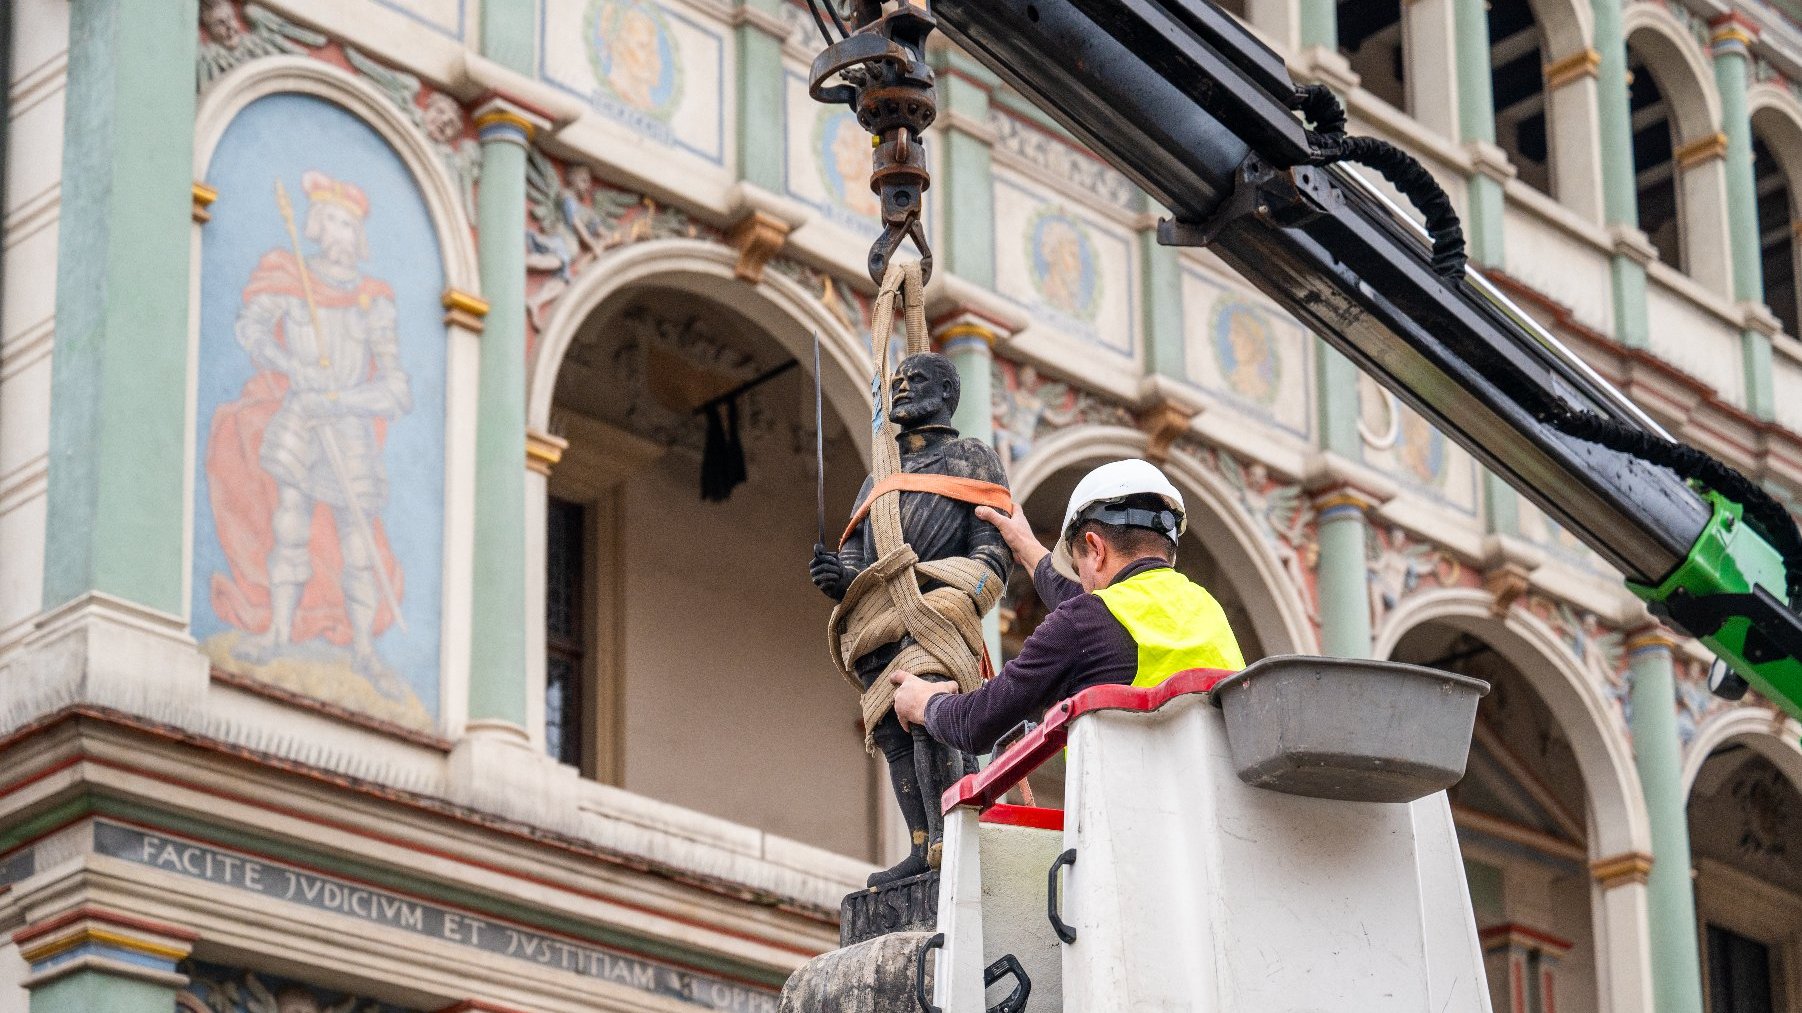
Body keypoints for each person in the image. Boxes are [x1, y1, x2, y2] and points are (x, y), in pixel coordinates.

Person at [809, 352, 1012, 886]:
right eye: (896, 381)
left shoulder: (973, 459)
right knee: (893, 734)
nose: (900, 389)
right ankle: (922, 844)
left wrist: (925, 583)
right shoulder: (884, 472)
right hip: (879, 621)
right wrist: (840, 576)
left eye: (915, 380)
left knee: (928, 717)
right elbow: (859, 551)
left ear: (947, 394)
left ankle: (951, 835)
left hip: (935, 615)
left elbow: (991, 559)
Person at [891, 459, 1245, 754]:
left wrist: (924, 703)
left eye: (1079, 567)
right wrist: (1027, 547)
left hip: (1127, 826)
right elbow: (1099, 618)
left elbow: (977, 724)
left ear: (1095, 546)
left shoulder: (1086, 623)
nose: (1084, 583)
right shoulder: (1207, 610)